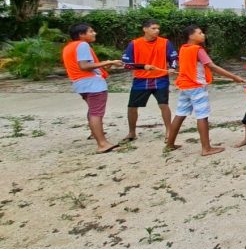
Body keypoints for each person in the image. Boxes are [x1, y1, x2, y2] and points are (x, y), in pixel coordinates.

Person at [165, 25, 246, 156]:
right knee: (202, 116)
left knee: (180, 114)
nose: (203, 35)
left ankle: (170, 144)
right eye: (200, 33)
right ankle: (206, 148)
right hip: (197, 87)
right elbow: (212, 66)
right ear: (191, 36)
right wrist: (234, 77)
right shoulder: (198, 50)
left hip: (184, 86)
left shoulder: (183, 49)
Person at [62, 23, 124, 153]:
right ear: (81, 35)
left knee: (92, 110)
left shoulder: (69, 47)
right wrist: (109, 62)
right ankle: (102, 144)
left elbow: (86, 65)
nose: (94, 33)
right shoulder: (83, 45)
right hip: (92, 84)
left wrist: (102, 65)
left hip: (80, 83)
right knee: (96, 113)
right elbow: (84, 66)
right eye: (91, 31)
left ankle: (94, 133)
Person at [120, 19, 178, 141]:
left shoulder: (165, 42)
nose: (157, 31)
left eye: (158, 28)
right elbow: (126, 64)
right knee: (132, 107)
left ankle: (168, 131)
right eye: (153, 28)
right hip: (141, 80)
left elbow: (173, 57)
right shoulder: (134, 44)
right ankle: (132, 132)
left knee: (164, 105)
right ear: (145, 29)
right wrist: (143, 66)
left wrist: (172, 67)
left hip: (160, 78)